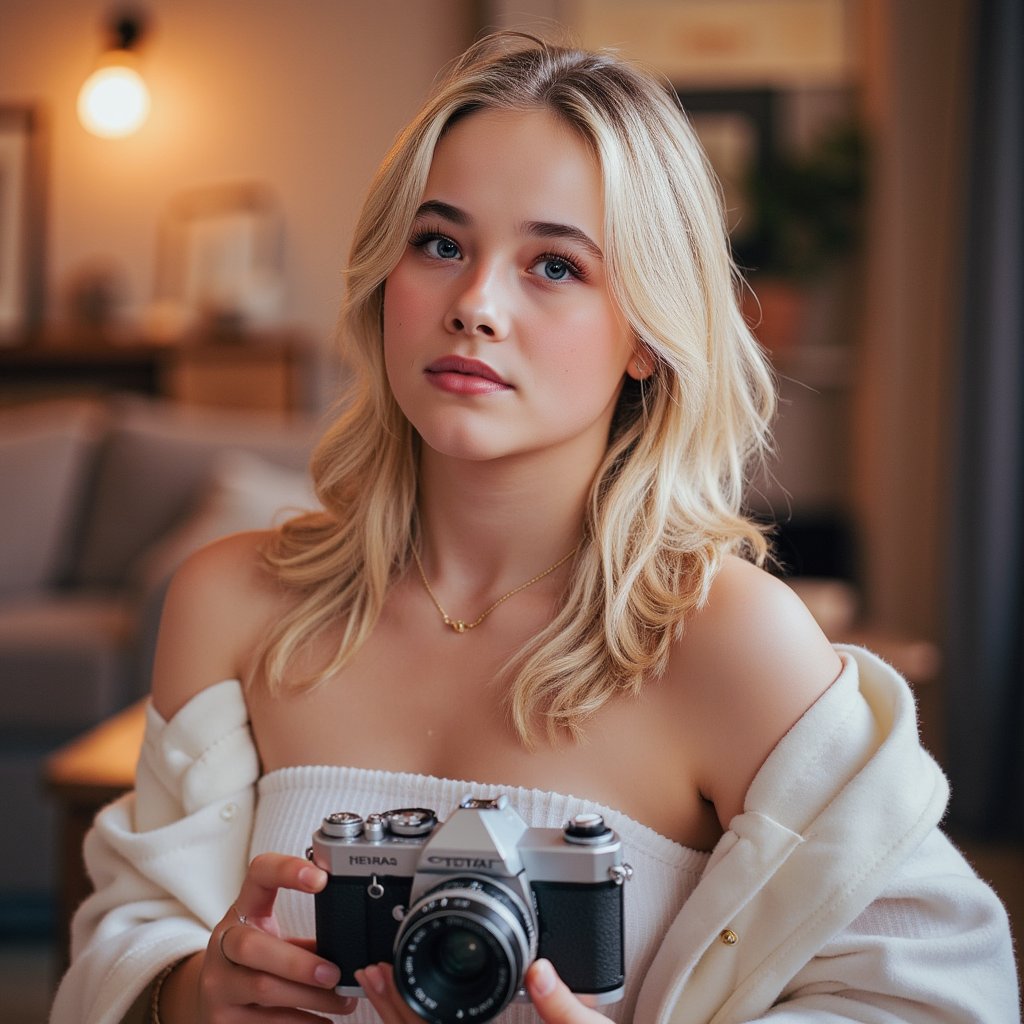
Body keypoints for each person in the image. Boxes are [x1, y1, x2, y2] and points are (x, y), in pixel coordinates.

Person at [51, 31, 1017, 1024]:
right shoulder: (230, 603)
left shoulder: (725, 639)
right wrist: (185, 993)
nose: (474, 304)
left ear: (646, 334)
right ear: (386, 277)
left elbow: (945, 995)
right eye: (440, 243)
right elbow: (121, 934)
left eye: (553, 264)